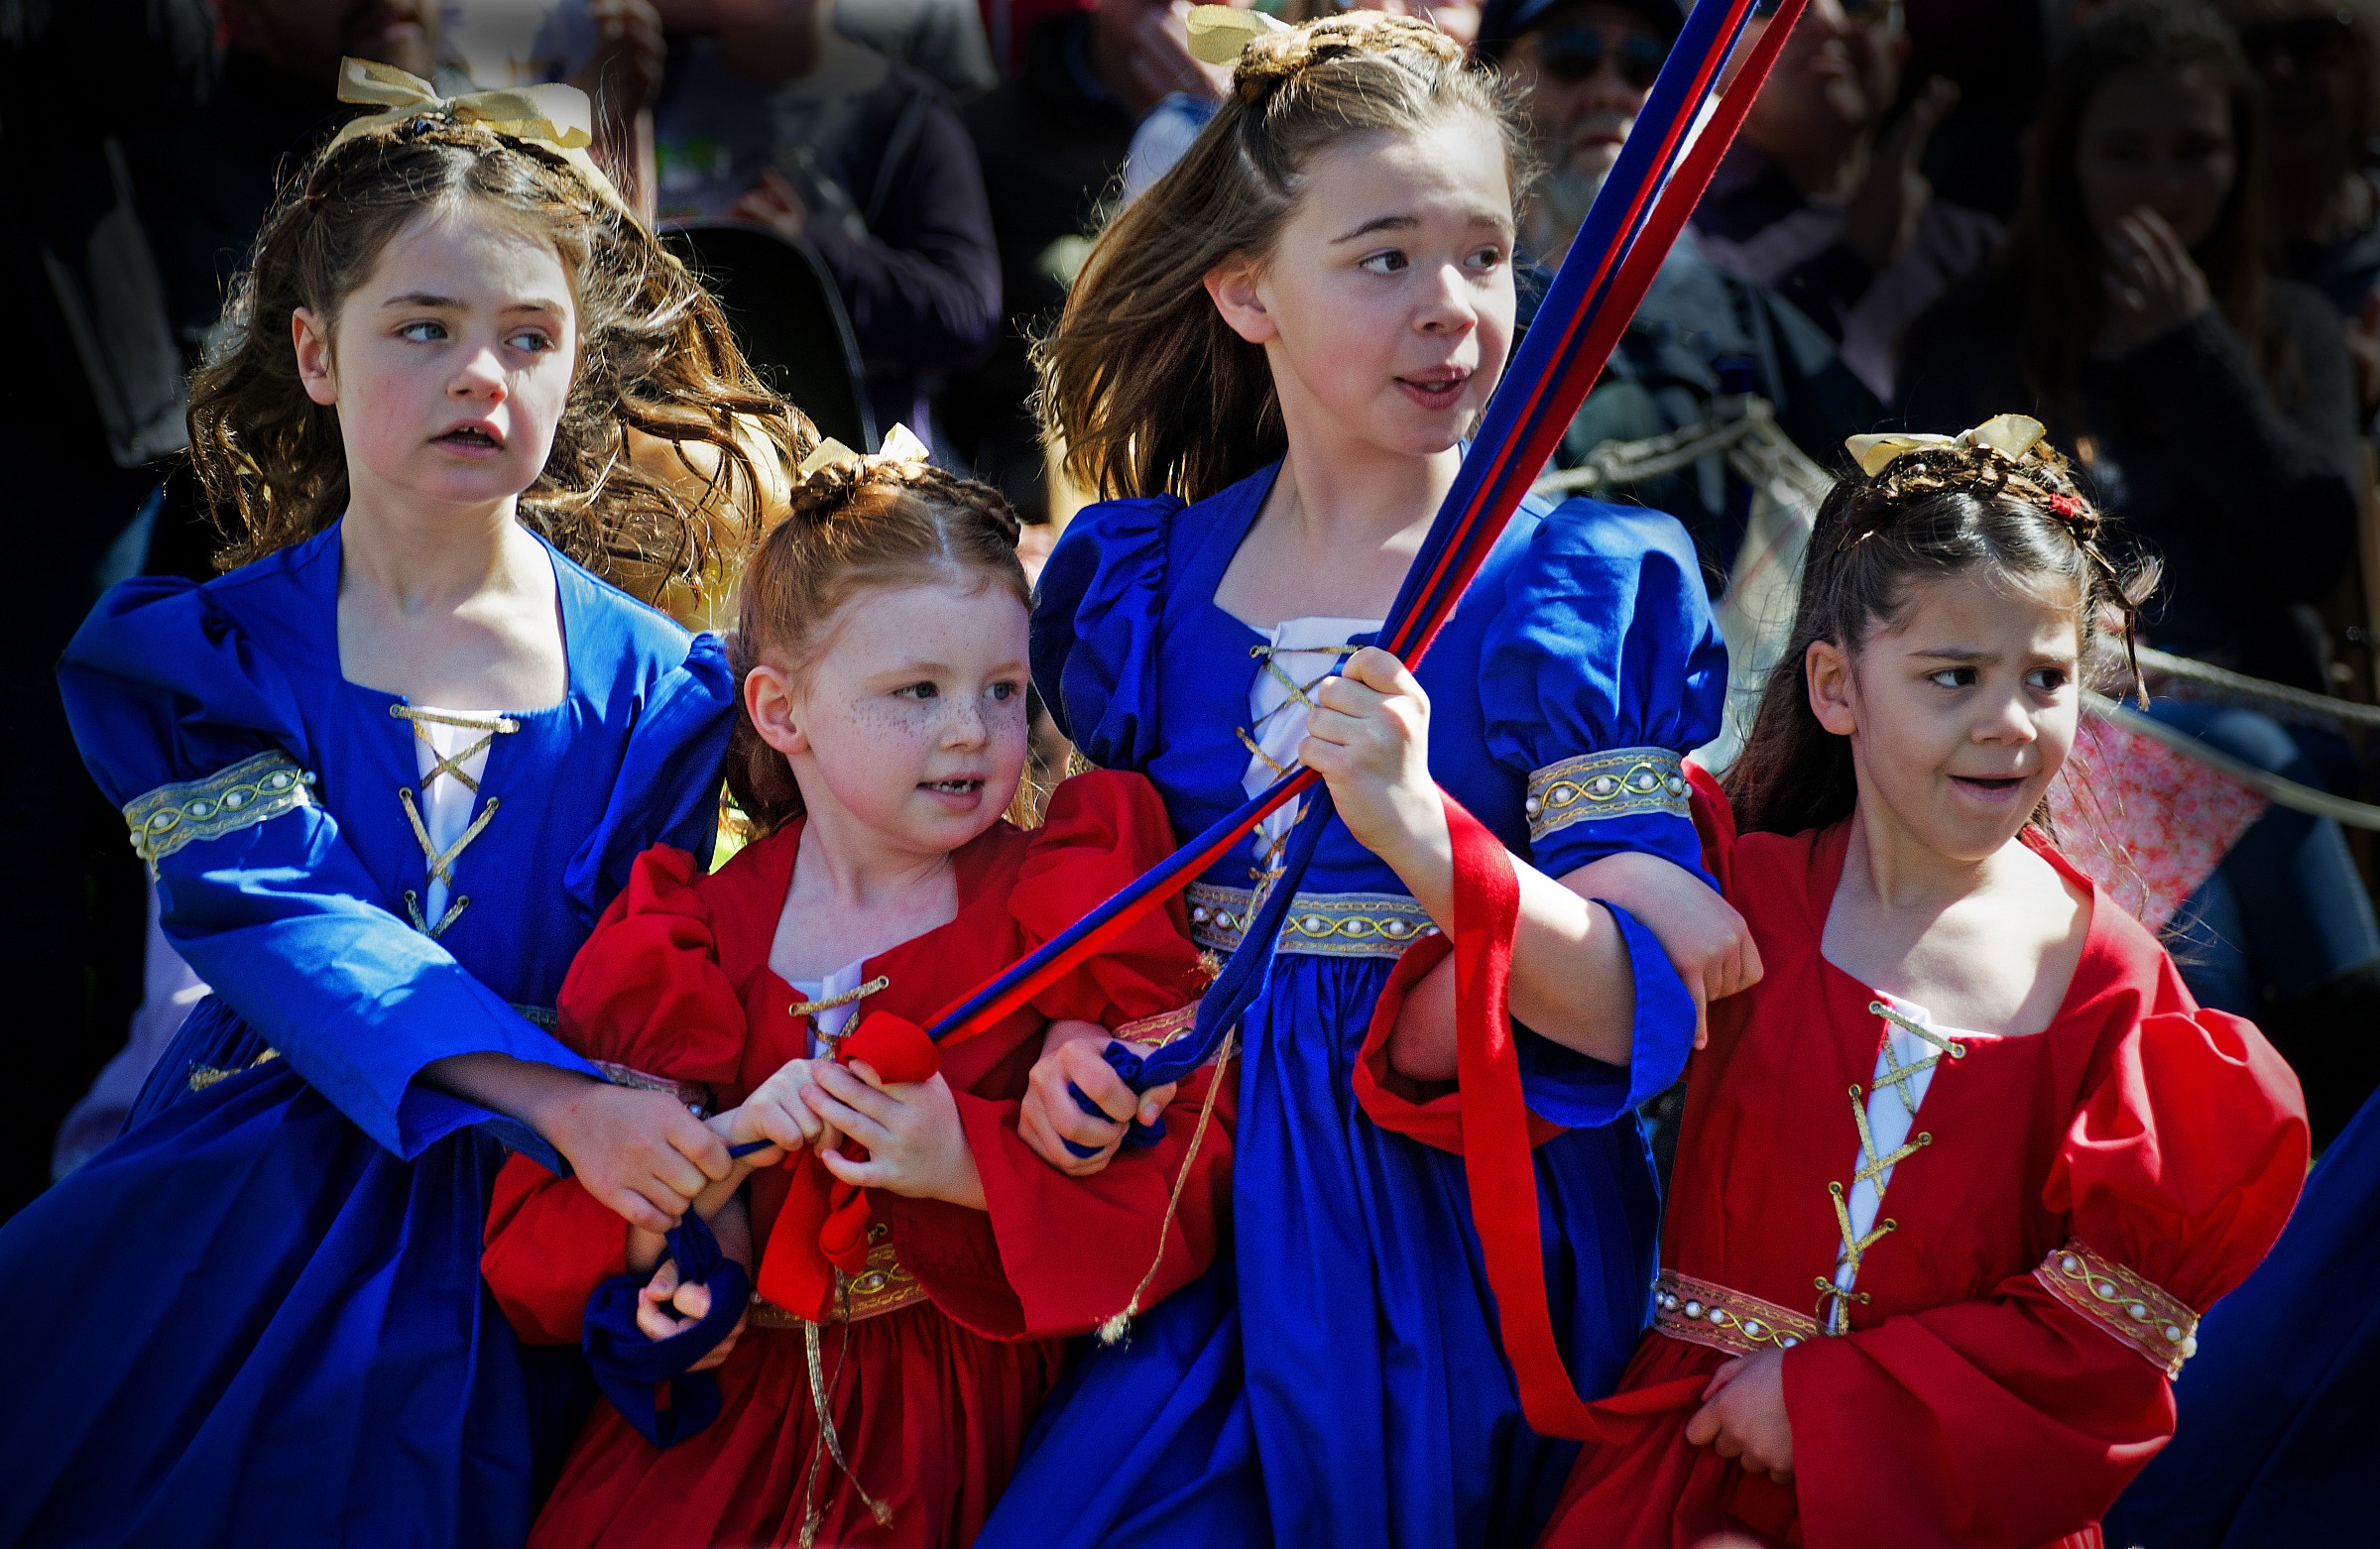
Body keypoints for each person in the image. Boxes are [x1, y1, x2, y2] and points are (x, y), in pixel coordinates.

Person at [0, 71, 813, 1547]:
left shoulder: (658, 688)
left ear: (579, 371)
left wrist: (658, 1167)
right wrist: (562, 1100)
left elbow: (645, 981)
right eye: (423, 328)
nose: (479, 376)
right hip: (249, 1200)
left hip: (526, 1229)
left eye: (528, 337)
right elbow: (280, 918)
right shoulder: (214, 657)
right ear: (314, 352)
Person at [978, 15, 1748, 1547]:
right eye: (1384, 258)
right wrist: (1069, 1032)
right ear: (1246, 287)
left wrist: (1417, 827)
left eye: (1484, 254)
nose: (1451, 307)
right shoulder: (1143, 585)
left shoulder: (1570, 596)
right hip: (1206, 1228)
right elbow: (1093, 890)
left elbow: (1632, 1006)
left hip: (1464, 1238)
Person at [1524, 420, 2309, 1547]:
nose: (2008, 722)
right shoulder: (1741, 885)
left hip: (1951, 1507)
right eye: (1954, 676)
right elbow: (1533, 1016)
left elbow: (2093, 1361)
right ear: (1838, 687)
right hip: (1680, 1477)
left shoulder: (2112, 991)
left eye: (2045, 677)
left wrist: (1824, 1403)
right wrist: (1622, 868)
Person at [480, 444, 1230, 1548]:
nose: (970, 729)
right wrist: (685, 1262)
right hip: (726, 1442)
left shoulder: (1063, 901)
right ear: (783, 710)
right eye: (916, 691)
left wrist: (969, 1158)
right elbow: (578, 1223)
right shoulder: (688, 936)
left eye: (1002, 689)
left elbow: (1185, 1182)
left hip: (959, 1426)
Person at [1897, 0, 2379, 1142]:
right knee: (2225, 787)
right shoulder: (1977, 336)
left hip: (2267, 725)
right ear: (2064, 163)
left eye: (2196, 151)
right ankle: (2309, 1147)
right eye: (2125, 153)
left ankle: (2259, 1159)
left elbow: (2314, 552)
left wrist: (2194, 349)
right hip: (2067, 723)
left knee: (2244, 773)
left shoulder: (2293, 325)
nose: (2162, 185)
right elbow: (1944, 559)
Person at [1480, 0, 1881, 583]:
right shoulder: (1445, 304)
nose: (1610, 93)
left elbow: (1893, 480)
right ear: (1488, 83)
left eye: (1646, 67)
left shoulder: (1734, 318)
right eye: (1572, 59)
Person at [648, 0, 1003, 447]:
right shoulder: (646, 84)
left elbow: (967, 313)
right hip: (674, 435)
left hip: (847, 454)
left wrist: (805, 256)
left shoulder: (904, 114)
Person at [947, 0, 1237, 518]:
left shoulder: (1275, 120)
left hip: (1221, 469)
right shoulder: (987, 135)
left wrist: (1232, 130)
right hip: (1039, 476)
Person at [1692, 0, 2000, 401]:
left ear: (1899, 49)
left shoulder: (1978, 250)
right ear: (1713, 55)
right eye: (1776, 5)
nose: (1829, 23)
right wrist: (1854, 258)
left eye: (1860, 4)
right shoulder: (1671, 242)